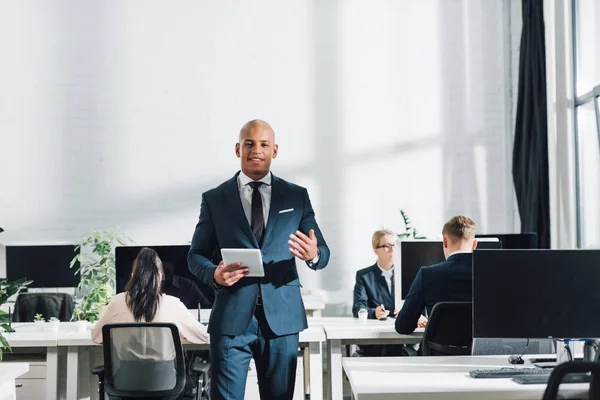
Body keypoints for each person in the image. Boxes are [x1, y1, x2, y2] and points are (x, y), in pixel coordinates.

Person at [188, 119, 330, 400]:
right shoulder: (215, 198)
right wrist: (214, 274)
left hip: (282, 319)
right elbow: (195, 256)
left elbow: (322, 252)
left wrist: (314, 254)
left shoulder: (296, 196)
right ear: (237, 148)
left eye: (264, 144)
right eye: (249, 143)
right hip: (231, 318)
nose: (256, 149)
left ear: (274, 151)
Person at [92, 247, 209, 344]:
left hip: (124, 371)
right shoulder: (173, 304)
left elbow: (96, 336)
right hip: (164, 372)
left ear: (132, 276)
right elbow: (204, 336)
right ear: (160, 277)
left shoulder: (116, 303)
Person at [395, 215, 477, 335]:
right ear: (474, 244)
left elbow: (403, 327)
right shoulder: (492, 275)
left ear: (444, 241)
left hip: (439, 353)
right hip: (482, 353)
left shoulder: (427, 275)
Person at [352, 229, 404, 356]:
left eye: (394, 245)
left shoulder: (407, 273)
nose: (392, 250)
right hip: (375, 340)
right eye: (387, 246)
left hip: (403, 337)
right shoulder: (364, 276)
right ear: (375, 249)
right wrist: (374, 313)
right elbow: (358, 308)